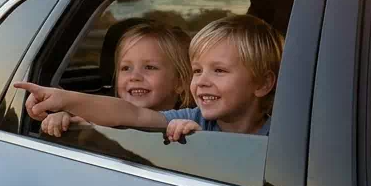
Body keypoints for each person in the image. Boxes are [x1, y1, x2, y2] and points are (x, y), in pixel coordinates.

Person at [16, 13, 282, 141]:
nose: (202, 81)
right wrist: (65, 99)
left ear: (262, 84)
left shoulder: (282, 136)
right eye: (197, 71)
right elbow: (130, 114)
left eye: (219, 70)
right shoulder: (193, 118)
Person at [37, 22, 192, 138]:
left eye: (149, 67)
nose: (134, 77)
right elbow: (86, 117)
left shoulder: (189, 122)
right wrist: (63, 118)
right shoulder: (103, 117)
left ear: (180, 82)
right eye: (125, 68)